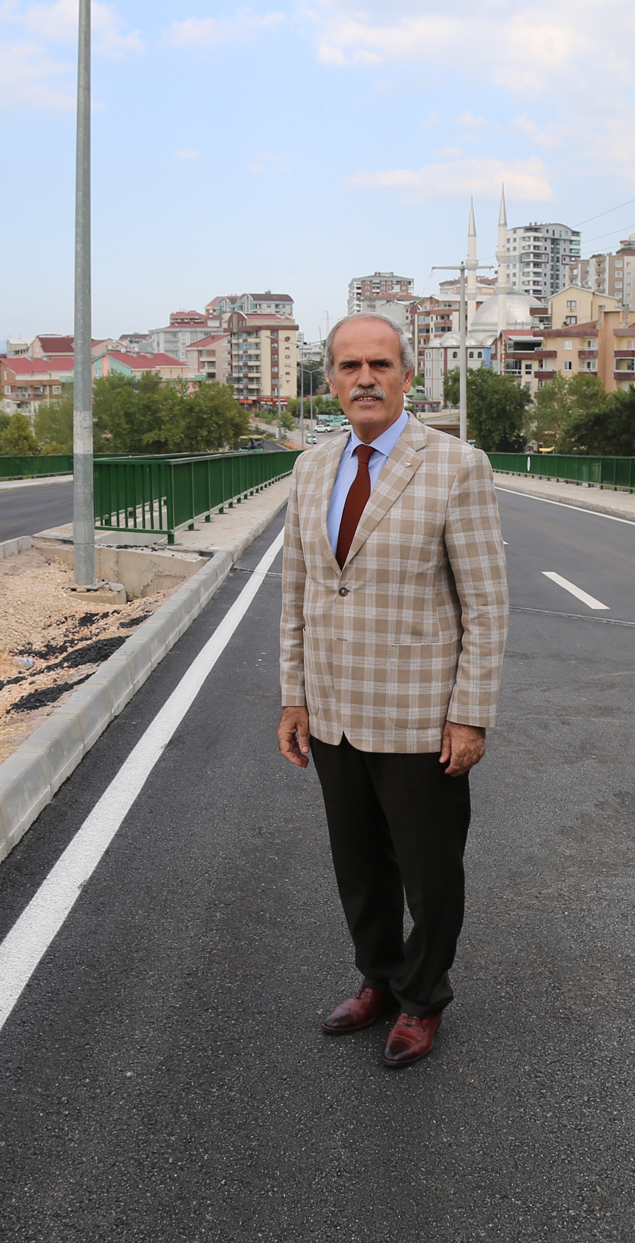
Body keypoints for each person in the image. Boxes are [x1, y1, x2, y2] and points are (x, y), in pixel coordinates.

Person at [276, 313, 508, 1069]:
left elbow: (486, 605)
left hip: (420, 714)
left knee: (429, 871)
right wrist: (294, 696)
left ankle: (421, 998)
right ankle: (377, 979)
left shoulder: (457, 465)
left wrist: (470, 714)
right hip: (333, 711)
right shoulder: (311, 468)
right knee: (360, 867)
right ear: (331, 380)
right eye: (350, 366)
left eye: (379, 364)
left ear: (407, 376)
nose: (365, 378)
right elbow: (298, 591)